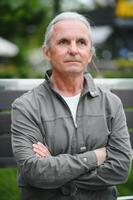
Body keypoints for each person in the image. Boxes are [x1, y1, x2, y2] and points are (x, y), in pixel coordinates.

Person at [11, 12, 131, 200]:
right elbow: (33, 171)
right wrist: (95, 157)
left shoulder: (111, 104)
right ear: (47, 52)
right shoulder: (26, 106)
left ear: (90, 54)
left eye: (81, 42)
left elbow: (120, 169)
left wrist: (54, 169)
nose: (73, 50)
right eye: (63, 42)